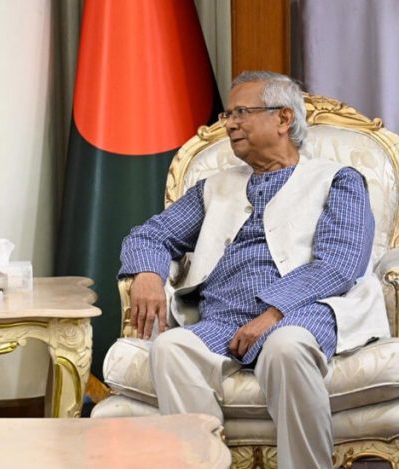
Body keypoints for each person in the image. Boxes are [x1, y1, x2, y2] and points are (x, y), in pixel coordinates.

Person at [119, 71, 390, 468]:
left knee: (286, 347)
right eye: (228, 114)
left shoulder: (337, 180)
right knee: (171, 348)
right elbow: (150, 235)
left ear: (283, 118)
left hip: (305, 310)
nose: (229, 124)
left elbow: (339, 263)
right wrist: (147, 274)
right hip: (223, 318)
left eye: (241, 113)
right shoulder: (214, 187)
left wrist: (273, 313)